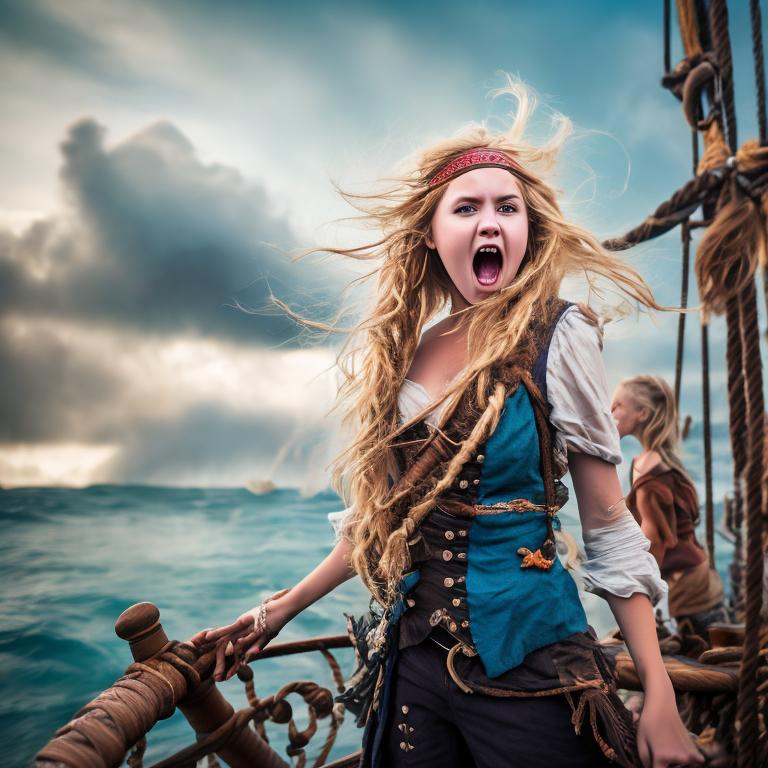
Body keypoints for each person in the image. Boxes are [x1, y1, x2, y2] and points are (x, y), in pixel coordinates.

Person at [193, 79, 705, 768]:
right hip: (413, 673)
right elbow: (383, 522)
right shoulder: (409, 350)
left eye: (507, 207)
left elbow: (610, 529)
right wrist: (278, 609)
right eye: (466, 207)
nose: (490, 221)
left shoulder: (560, 333)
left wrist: (662, 695)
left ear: (529, 229)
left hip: (528, 662)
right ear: (434, 236)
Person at [611, 375, 728, 638]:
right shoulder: (659, 460)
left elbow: (655, 538)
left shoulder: (649, 469)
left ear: (642, 413)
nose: (611, 411)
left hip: (684, 589)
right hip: (696, 579)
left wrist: (642, 596)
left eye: (618, 405)